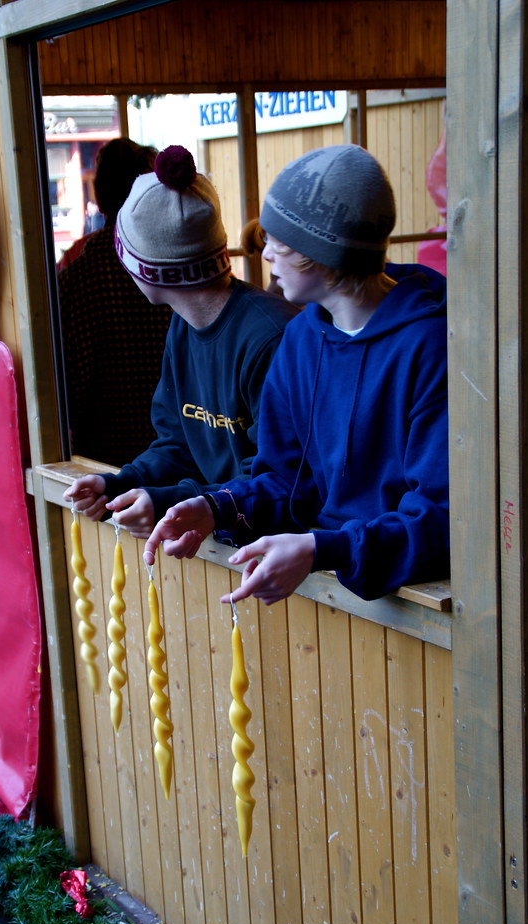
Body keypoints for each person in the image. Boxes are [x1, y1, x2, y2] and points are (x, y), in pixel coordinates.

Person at [144, 144, 449, 603]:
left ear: (322, 255)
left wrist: (322, 547)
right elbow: (287, 479)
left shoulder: (430, 346)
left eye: (278, 244)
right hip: (331, 596)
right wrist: (218, 507)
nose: (264, 254)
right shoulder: (302, 338)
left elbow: (441, 517)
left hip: (417, 610)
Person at [64, 144, 298, 537]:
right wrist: (121, 482)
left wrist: (166, 501)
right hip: (234, 549)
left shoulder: (271, 339)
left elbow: (278, 482)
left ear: (149, 271)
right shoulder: (183, 326)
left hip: (278, 562)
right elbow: (178, 443)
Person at [56, 138, 174, 465]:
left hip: (96, 466)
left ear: (99, 196)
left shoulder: (72, 281)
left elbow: (62, 395)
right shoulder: (175, 270)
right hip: (176, 457)